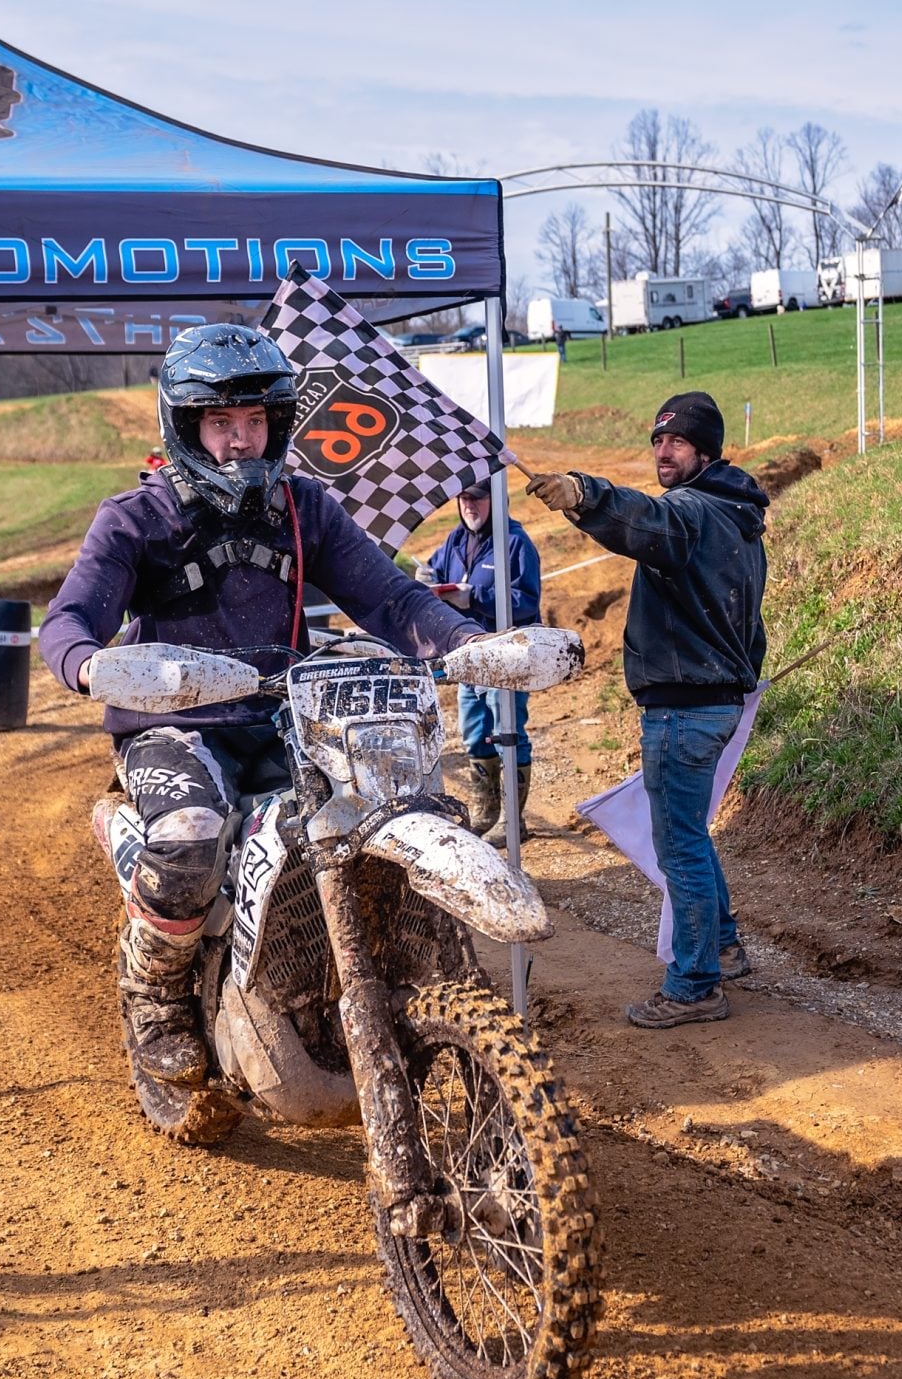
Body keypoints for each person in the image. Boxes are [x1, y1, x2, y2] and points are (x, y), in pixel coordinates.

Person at [41, 324, 484, 1090]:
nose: (242, 441)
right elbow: (68, 620)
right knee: (188, 838)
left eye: (256, 423)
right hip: (173, 726)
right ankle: (157, 998)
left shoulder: (303, 507)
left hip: (285, 717)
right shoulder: (135, 520)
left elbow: (389, 596)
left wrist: (468, 644)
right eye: (222, 424)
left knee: (394, 810)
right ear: (186, 428)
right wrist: (89, 666)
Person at [526, 393, 767, 1030]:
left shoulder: (689, 513)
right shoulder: (738, 518)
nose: (663, 452)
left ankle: (694, 985)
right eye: (657, 441)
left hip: (685, 709)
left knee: (678, 847)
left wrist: (584, 495)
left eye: (678, 443)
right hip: (715, 703)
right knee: (689, 833)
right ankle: (721, 945)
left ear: (706, 450)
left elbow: (643, 522)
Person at [421, 477, 543, 844]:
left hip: (507, 656)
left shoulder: (516, 543)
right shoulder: (455, 541)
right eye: (463, 499)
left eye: (476, 499)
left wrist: (475, 597)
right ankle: (485, 812)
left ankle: (513, 820)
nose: (469, 506)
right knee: (475, 737)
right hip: (467, 658)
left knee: (509, 733)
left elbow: (526, 602)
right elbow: (434, 571)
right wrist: (425, 580)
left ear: (496, 501)